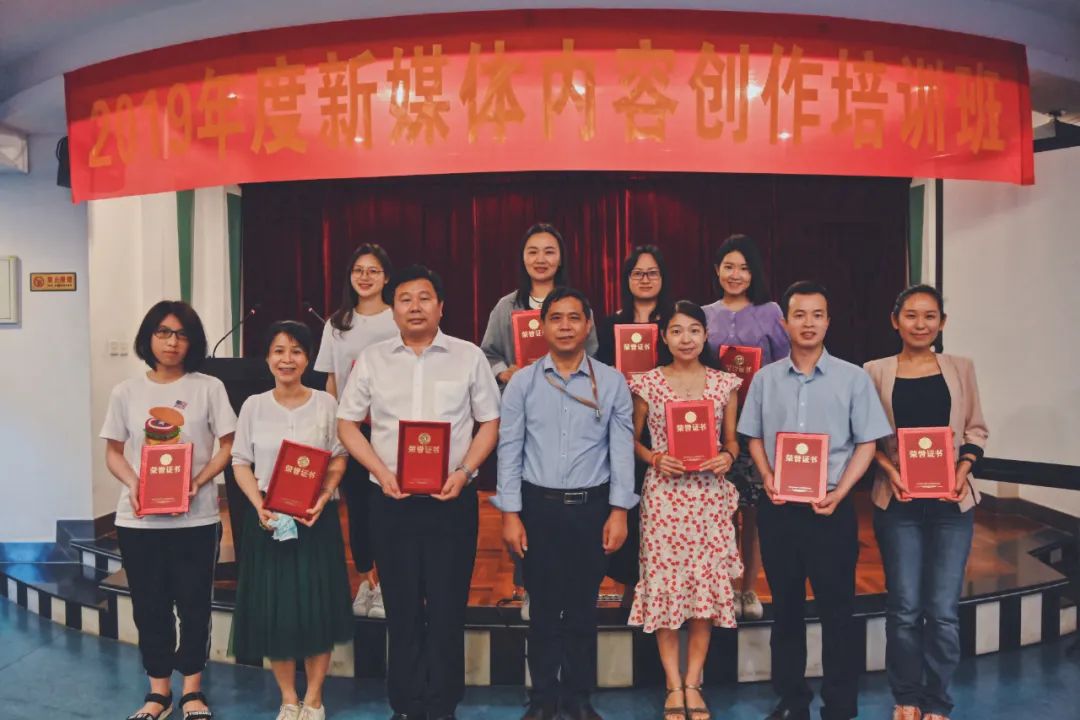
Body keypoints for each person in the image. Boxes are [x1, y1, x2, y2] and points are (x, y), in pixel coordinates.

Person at [337, 265, 501, 720]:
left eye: (424, 297)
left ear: (441, 307)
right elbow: (346, 423)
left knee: (448, 606)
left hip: (452, 501)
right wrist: (379, 470)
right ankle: (406, 704)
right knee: (402, 606)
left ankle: (443, 704)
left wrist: (465, 471)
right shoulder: (373, 359)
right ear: (392, 310)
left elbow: (490, 421)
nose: (415, 306)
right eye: (405, 299)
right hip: (391, 502)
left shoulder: (468, 356)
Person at [737, 281, 892, 720]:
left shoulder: (853, 378)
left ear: (828, 321)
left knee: (837, 612)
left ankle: (840, 706)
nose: (808, 323)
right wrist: (768, 477)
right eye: (799, 315)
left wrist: (841, 492)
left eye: (817, 315)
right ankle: (792, 701)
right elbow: (752, 437)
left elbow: (867, 443)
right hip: (780, 511)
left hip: (832, 511)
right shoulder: (765, 379)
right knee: (785, 610)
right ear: (784, 323)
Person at [495, 287, 637, 720]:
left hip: (592, 509)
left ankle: (578, 700)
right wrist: (510, 514)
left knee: (581, 611)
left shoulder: (610, 381)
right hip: (538, 508)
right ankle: (542, 700)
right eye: (556, 318)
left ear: (588, 324)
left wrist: (619, 511)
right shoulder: (522, 383)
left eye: (574, 317)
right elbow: (509, 450)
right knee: (541, 610)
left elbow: (621, 451)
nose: (565, 326)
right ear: (541, 326)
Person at [100, 300, 236, 720]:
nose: (172, 342)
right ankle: (158, 692)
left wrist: (199, 480)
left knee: (195, 605)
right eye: (163, 332)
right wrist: (134, 484)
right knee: (149, 607)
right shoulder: (126, 392)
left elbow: (228, 445)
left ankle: (192, 689)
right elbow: (113, 451)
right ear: (149, 337)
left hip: (196, 519)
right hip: (139, 521)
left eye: (181, 334)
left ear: (192, 342)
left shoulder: (208, 387)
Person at [864, 285, 989, 720]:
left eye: (930, 316)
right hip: (897, 502)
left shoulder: (961, 368)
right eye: (911, 315)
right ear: (894, 320)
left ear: (942, 322)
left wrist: (962, 469)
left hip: (952, 505)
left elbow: (975, 430)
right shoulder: (874, 371)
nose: (921, 324)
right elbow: (866, 435)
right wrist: (890, 471)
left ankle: (937, 700)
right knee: (903, 609)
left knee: (943, 611)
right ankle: (906, 697)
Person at [230, 321, 353, 720]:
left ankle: (314, 698)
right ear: (267, 358)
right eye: (279, 351)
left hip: (316, 519)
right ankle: (288, 697)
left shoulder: (326, 403)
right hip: (268, 519)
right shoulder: (253, 405)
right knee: (275, 611)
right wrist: (258, 505)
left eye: (296, 351)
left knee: (318, 609)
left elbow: (339, 456)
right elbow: (240, 461)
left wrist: (324, 495)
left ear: (308, 359)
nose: (287, 359)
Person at [628, 300, 742, 720]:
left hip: (709, 498)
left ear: (706, 335)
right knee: (665, 589)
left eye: (694, 330)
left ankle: (694, 682)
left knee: (703, 592)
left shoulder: (724, 384)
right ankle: (672, 685)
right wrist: (655, 458)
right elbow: (630, 439)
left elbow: (732, 441)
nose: (686, 339)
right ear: (664, 337)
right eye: (676, 331)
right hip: (664, 499)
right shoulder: (647, 383)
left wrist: (727, 457)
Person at [479, 222, 597, 618]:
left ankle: (572, 588)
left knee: (568, 506)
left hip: (571, 416)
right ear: (523, 258)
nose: (541, 259)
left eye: (549, 251)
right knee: (527, 503)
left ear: (560, 258)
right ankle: (529, 585)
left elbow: (593, 357)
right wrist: (505, 373)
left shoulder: (577, 303)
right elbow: (487, 355)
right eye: (533, 251)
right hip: (525, 416)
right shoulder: (506, 307)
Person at [702, 234, 790, 621]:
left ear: (754, 273)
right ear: (716, 270)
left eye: (744, 268)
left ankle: (749, 588)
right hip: (714, 430)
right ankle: (722, 587)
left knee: (752, 513)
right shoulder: (703, 314)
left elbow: (786, 365)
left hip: (758, 428)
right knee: (719, 513)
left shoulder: (771, 312)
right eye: (728, 267)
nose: (735, 275)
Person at [313, 243, 398, 618]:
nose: (365, 277)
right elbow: (332, 380)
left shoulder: (397, 319)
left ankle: (390, 585)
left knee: (388, 509)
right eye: (358, 270)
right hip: (352, 430)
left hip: (390, 429)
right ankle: (368, 582)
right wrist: (335, 432)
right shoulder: (337, 324)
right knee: (359, 511)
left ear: (386, 277)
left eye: (373, 270)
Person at [594, 245, 672, 602]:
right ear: (627, 280)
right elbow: (596, 372)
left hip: (665, 432)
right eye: (637, 273)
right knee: (626, 505)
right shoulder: (611, 325)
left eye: (652, 273)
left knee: (660, 514)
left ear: (662, 278)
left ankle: (660, 591)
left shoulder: (674, 322)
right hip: (620, 427)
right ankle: (629, 591)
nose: (645, 279)